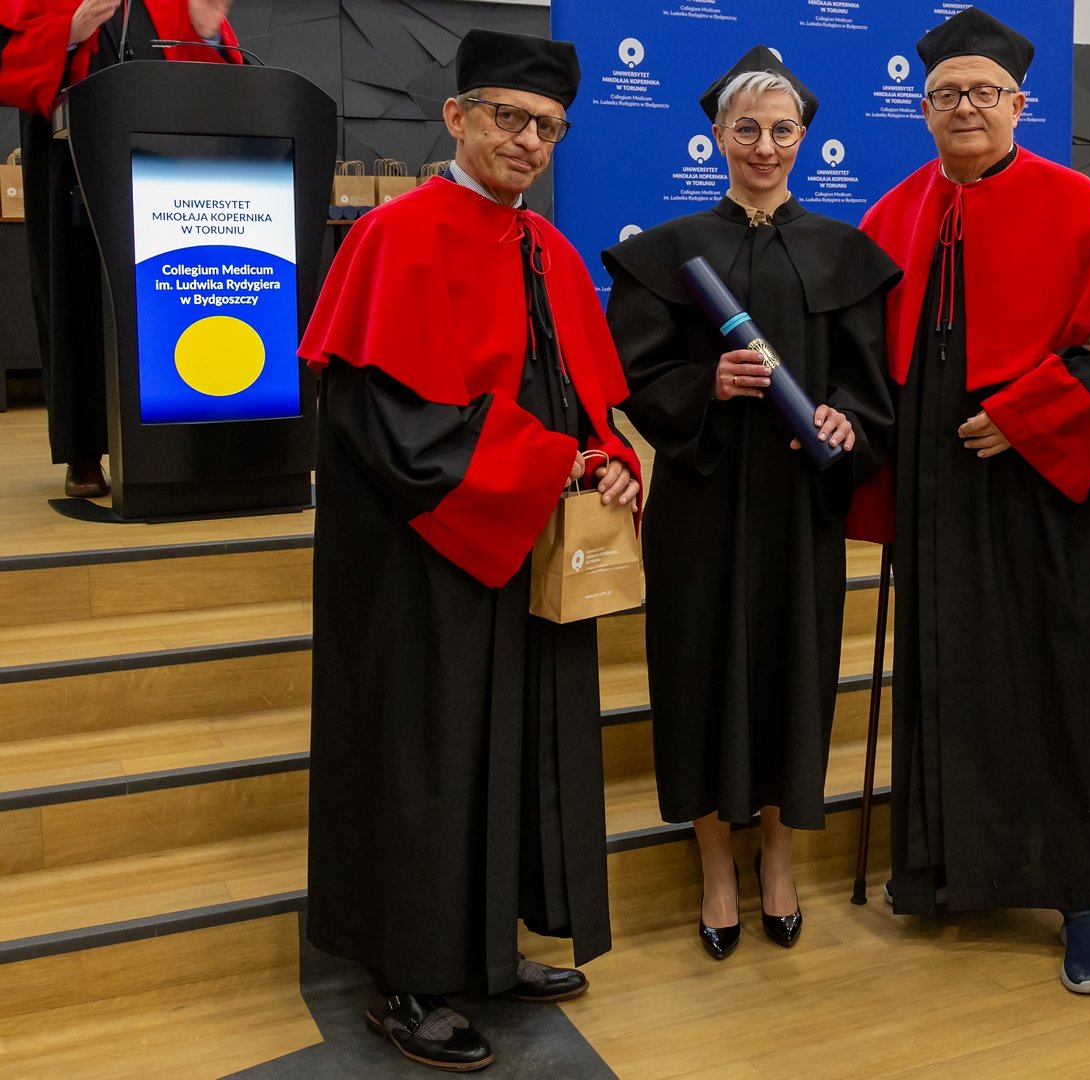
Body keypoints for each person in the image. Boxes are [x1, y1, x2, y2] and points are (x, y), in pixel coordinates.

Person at [297, 29, 640, 1072]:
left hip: (526, 543)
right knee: (427, 758)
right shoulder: (392, 238)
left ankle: (485, 946)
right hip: (423, 558)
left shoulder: (549, 250)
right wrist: (547, 464)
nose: (527, 140)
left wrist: (612, 461)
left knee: (514, 750)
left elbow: (582, 398)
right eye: (508, 117)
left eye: (548, 127)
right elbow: (388, 426)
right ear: (456, 117)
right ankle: (405, 975)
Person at [852, 6, 1090, 995]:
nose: (965, 108)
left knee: (1056, 668)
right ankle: (946, 869)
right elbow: (861, 353)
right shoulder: (894, 212)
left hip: (1037, 484)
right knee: (942, 666)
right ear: (922, 109)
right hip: (935, 483)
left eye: (984, 93)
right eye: (946, 95)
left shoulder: (1076, 203)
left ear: (1021, 104)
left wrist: (1029, 416)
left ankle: (1080, 896)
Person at [601, 47, 898, 961]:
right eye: (747, 130)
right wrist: (708, 383)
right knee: (695, 672)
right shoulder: (669, 253)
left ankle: (777, 855)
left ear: (803, 139)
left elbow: (869, 387)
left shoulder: (844, 254)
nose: (764, 146)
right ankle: (714, 865)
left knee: (792, 674)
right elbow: (633, 377)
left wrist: (847, 420)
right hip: (701, 500)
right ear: (717, 137)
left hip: (799, 507)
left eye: (781, 130)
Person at [0, 0, 240, 497]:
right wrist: (69, 32)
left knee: (166, 299)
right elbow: (10, 61)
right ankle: (85, 452)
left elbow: (221, 79)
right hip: (72, 160)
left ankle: (182, 440)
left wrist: (208, 35)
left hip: (163, 167)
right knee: (78, 295)